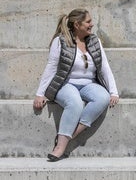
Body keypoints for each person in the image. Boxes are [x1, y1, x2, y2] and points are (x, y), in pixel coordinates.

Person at [33, 8, 119, 162]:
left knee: (102, 98)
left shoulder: (95, 41)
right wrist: (40, 94)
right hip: (65, 83)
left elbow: (105, 67)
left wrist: (113, 92)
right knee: (75, 104)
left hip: (89, 83)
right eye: (88, 22)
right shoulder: (60, 41)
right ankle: (60, 148)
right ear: (77, 25)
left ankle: (68, 136)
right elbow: (51, 67)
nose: (92, 24)